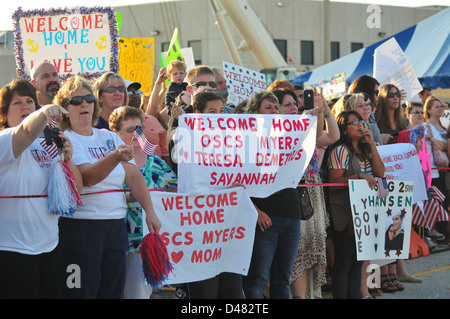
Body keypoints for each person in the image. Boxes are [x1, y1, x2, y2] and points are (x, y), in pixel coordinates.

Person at [54, 75, 161, 299]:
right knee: (80, 293)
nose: (84, 104)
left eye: (88, 98)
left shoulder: (108, 137)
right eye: (75, 101)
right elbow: (87, 179)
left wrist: (149, 211)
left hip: (114, 227)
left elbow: (133, 176)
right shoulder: (67, 139)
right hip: (81, 230)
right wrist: (114, 157)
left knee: (112, 292)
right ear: (64, 108)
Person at [0, 79, 82, 298]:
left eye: (29, 101)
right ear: (4, 113)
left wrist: (68, 159)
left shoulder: (48, 141)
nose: (26, 106)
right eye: (17, 103)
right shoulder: (4, 139)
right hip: (13, 249)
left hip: (50, 245)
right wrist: (45, 111)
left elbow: (77, 188)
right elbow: (25, 133)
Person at [271, 89, 339, 299]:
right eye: (287, 105)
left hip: (313, 194)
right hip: (294, 196)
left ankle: (309, 294)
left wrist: (325, 110)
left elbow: (333, 136)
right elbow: (317, 134)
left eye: (294, 104)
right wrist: (316, 114)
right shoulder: (278, 133)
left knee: (312, 247)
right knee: (298, 251)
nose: (293, 108)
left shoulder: (304, 127)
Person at [109, 106, 177, 299]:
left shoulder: (156, 164)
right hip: (112, 239)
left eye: (139, 129)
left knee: (137, 294)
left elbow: (179, 195)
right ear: (116, 133)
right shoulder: (106, 163)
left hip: (143, 242)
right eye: (130, 129)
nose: (136, 134)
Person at [242, 91, 301, 299]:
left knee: (282, 280)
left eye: (276, 108)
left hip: (292, 217)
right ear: (254, 111)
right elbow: (237, 183)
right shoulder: (246, 142)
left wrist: (320, 112)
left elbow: (329, 137)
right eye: (269, 108)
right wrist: (255, 211)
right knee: (257, 279)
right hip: (265, 219)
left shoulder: (288, 137)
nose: (274, 111)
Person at [327, 110, 385, 299]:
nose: (360, 124)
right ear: (344, 129)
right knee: (343, 263)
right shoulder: (340, 151)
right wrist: (358, 177)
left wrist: (372, 144)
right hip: (345, 214)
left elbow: (380, 173)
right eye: (354, 122)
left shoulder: (366, 149)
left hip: (364, 215)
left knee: (357, 263)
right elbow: (334, 184)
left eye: (361, 121)